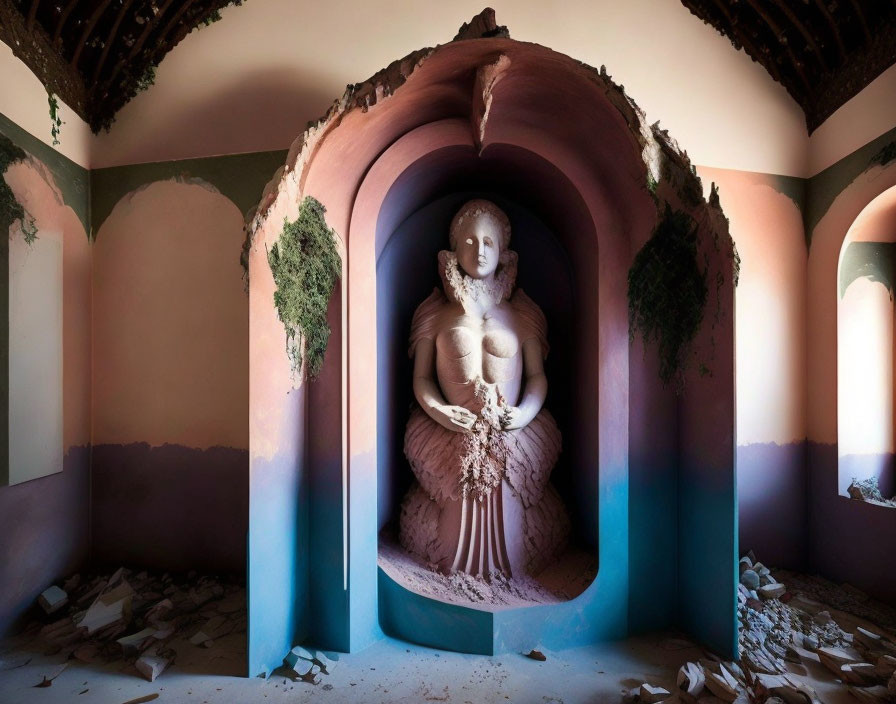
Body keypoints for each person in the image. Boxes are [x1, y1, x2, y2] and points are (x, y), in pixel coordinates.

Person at [400, 199, 569, 579]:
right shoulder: (433, 312)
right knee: (456, 502)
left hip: (512, 427)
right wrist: (440, 411)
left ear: (504, 253)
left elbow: (538, 377)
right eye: (470, 242)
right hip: (449, 427)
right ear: (453, 251)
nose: (479, 250)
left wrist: (524, 413)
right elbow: (422, 379)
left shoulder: (523, 314)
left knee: (509, 502)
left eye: (489, 242)